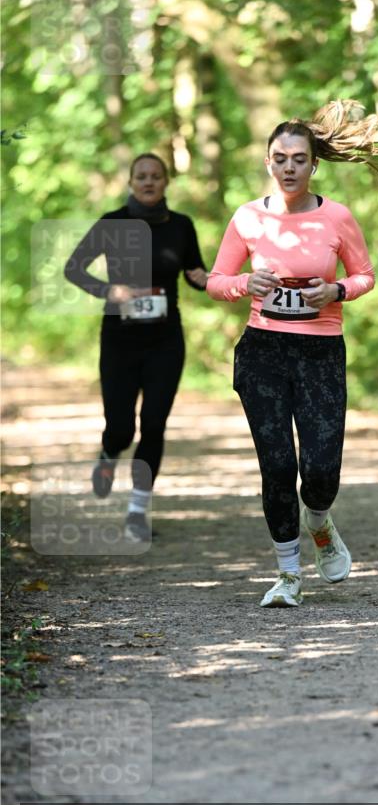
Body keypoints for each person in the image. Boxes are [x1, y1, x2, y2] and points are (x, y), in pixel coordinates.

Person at [207, 100, 378, 606]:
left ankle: (321, 522)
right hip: (263, 352)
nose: (289, 167)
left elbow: (365, 275)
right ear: (268, 163)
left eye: (299, 159)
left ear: (313, 164)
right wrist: (245, 281)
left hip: (322, 353)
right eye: (280, 158)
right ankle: (288, 576)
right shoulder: (248, 218)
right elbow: (217, 281)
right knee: (278, 465)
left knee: (322, 469)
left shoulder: (337, 218)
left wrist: (338, 292)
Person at [65, 153, 208, 542]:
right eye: (141, 176)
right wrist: (108, 290)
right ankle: (109, 453)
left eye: (156, 176)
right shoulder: (111, 224)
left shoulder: (181, 225)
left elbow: (195, 272)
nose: (148, 182)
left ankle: (137, 510)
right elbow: (73, 268)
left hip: (165, 341)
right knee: (121, 427)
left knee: (154, 424)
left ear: (165, 182)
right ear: (131, 182)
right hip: (119, 340)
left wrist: (206, 278)